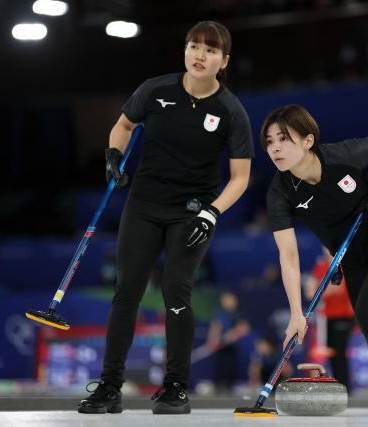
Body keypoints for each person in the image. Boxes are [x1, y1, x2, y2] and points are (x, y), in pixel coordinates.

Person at [78, 21, 253, 415]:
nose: (199, 55)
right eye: (193, 46)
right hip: (143, 205)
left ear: (223, 62)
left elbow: (241, 178)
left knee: (177, 289)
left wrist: (212, 212)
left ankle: (176, 388)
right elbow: (123, 126)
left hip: (192, 214)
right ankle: (109, 387)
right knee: (127, 292)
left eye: (209, 50)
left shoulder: (230, 111)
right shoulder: (155, 90)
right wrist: (113, 155)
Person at [261, 104, 368, 416]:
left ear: (308, 141)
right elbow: (287, 255)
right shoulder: (280, 192)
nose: (275, 148)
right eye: (270, 142)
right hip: (352, 255)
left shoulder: (341, 154)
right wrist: (296, 314)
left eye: (283, 139)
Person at [305, 246, 355, 391]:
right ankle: (337, 385)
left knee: (339, 353)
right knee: (331, 353)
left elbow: (337, 289)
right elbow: (311, 293)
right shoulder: (321, 266)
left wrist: (321, 290)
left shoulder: (343, 266)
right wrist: (321, 290)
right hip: (327, 317)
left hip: (343, 316)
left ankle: (345, 387)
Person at [206, 291, 250, 394]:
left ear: (235, 300)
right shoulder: (219, 312)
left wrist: (233, 335)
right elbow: (216, 326)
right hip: (220, 345)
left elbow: (244, 327)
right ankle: (218, 386)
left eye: (228, 299)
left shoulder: (240, 312)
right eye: (224, 300)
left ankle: (230, 386)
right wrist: (212, 340)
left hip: (234, 345)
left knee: (231, 365)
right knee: (219, 364)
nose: (226, 302)